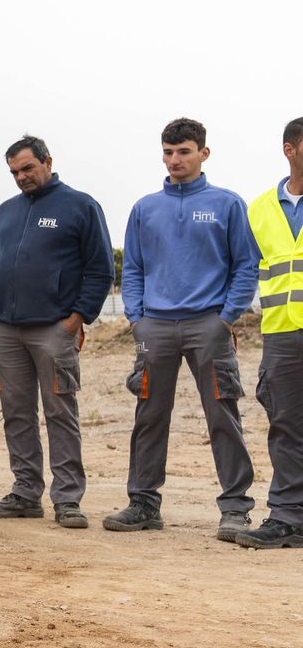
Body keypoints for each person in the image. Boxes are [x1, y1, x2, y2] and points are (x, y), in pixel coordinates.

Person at [106, 118, 259, 541]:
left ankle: (235, 509)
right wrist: (137, 318)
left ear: (203, 154)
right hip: (154, 327)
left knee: (222, 416)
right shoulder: (144, 208)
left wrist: (226, 318)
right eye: (168, 152)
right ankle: (143, 503)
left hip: (208, 325)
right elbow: (132, 267)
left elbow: (246, 266)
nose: (175, 160)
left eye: (184, 152)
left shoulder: (228, 203)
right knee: (149, 415)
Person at [0, 135, 114, 529]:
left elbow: (101, 268)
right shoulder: (4, 212)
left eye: (28, 168)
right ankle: (24, 493)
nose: (21, 177)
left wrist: (77, 318)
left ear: (48, 161)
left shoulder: (80, 206)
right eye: (15, 172)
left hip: (54, 330)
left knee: (60, 413)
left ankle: (68, 499)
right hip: (5, 331)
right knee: (16, 414)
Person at [236, 116, 303, 549]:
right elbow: (245, 269)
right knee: (286, 426)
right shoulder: (258, 208)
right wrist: (227, 318)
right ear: (290, 149)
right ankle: (286, 517)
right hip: (281, 335)